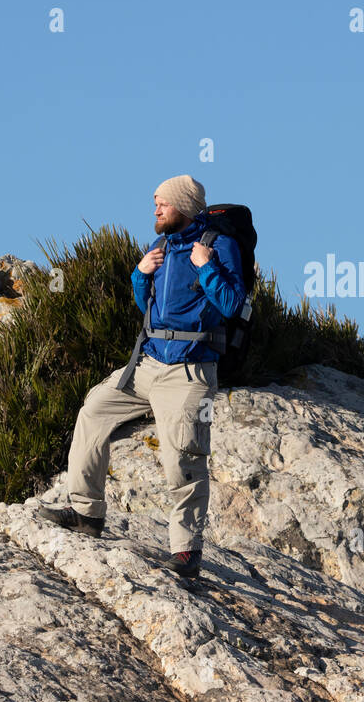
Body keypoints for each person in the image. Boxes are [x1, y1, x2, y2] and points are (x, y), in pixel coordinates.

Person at [37, 174, 245, 580]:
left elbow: (231, 303)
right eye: (155, 203)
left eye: (162, 203)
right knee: (93, 411)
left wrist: (205, 268)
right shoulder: (161, 245)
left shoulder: (219, 247)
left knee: (181, 458)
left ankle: (186, 551)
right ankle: (84, 511)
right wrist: (140, 274)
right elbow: (145, 306)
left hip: (190, 370)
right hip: (147, 363)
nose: (155, 209)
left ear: (183, 206)